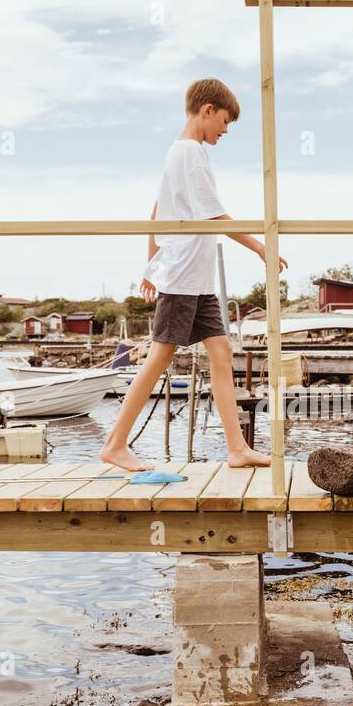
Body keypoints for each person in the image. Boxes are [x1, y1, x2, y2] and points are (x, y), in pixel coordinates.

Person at [99, 78, 285, 472]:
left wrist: (151, 266)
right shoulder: (191, 154)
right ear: (207, 111)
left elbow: (156, 211)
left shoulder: (180, 154)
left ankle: (236, 448)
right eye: (225, 121)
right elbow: (215, 215)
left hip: (194, 279)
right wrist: (261, 247)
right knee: (158, 358)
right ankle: (115, 444)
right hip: (184, 277)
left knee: (221, 352)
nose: (226, 129)